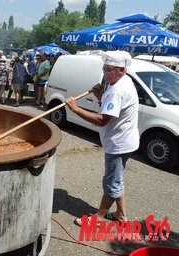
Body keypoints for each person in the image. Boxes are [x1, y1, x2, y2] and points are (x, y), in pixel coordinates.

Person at [65, 50, 139, 226]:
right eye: (104, 69)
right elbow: (110, 110)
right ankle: (121, 215)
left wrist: (75, 109)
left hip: (118, 143)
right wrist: (100, 97)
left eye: (109, 70)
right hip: (124, 140)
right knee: (117, 179)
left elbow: (102, 120)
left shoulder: (118, 90)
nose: (104, 74)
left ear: (121, 70)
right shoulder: (122, 82)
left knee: (111, 182)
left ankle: (97, 218)